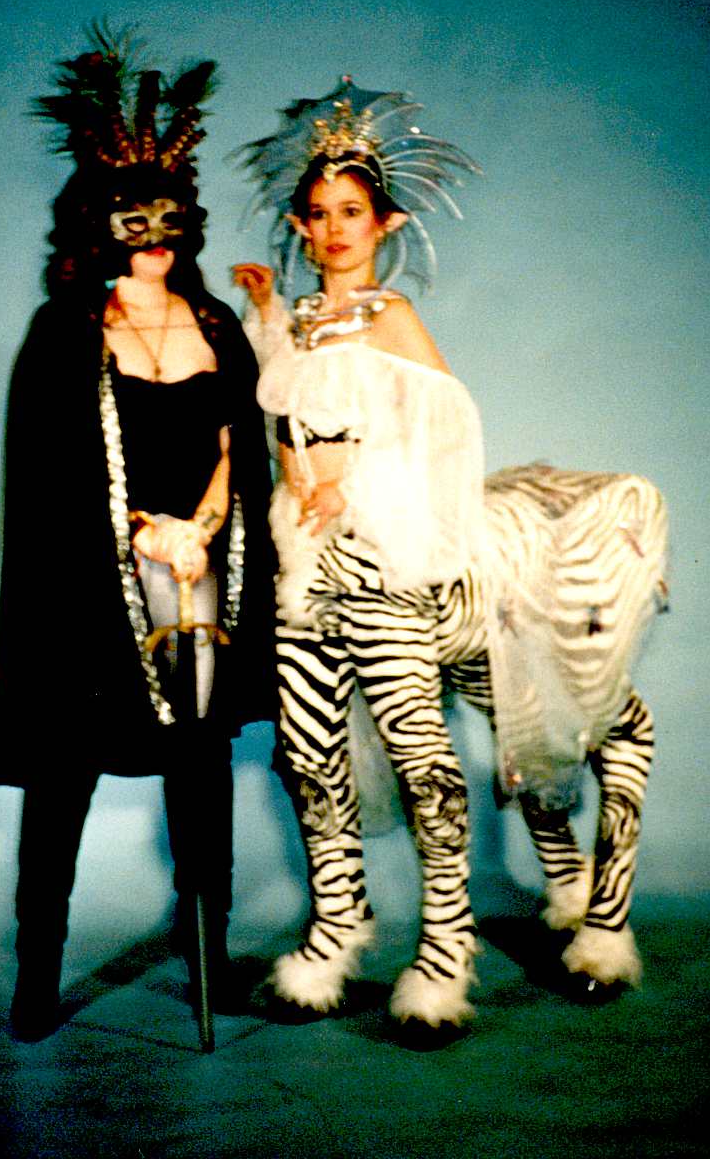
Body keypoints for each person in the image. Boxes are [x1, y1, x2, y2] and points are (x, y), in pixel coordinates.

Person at [0, 31, 275, 1043]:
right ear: (97, 224)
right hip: (89, 597)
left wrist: (199, 528)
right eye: (132, 218)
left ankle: (210, 953)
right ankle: (38, 970)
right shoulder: (66, 328)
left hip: (198, 581)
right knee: (63, 777)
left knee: (200, 771)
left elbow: (242, 440)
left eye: (169, 217)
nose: (155, 236)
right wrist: (141, 530)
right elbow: (48, 475)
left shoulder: (217, 324)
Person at [233, 78, 485, 1035]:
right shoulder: (300, 320)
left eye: (351, 211)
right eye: (319, 213)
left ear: (384, 223)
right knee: (307, 753)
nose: (335, 228)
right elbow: (282, 411)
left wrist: (359, 483)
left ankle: (447, 943)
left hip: (378, 556)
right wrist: (265, 313)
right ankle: (338, 925)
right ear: (300, 228)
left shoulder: (390, 316)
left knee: (419, 753)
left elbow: (445, 425)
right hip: (304, 560)